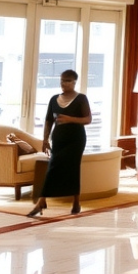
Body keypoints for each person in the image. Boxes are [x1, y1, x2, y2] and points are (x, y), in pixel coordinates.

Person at [27, 70, 91, 217]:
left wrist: (70, 119)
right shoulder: (54, 99)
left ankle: (76, 202)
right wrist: (45, 139)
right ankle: (41, 201)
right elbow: (49, 120)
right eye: (62, 80)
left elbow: (87, 119)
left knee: (73, 168)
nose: (64, 83)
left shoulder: (81, 99)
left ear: (74, 82)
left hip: (76, 139)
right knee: (53, 168)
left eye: (67, 80)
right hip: (59, 138)